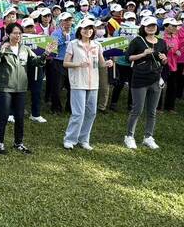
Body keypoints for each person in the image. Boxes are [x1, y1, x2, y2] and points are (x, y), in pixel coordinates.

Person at [0, 23, 43, 155]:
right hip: (5, 88)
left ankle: (18, 143)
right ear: (8, 34)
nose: (17, 36)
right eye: (15, 33)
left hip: (21, 88)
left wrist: (46, 54)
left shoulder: (24, 49)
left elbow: (36, 62)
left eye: (19, 33)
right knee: (4, 116)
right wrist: (0, 51)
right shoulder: (2, 48)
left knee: (19, 117)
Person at [62, 19, 113, 150]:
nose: (88, 31)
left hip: (93, 83)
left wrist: (107, 63)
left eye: (90, 29)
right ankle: (70, 139)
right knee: (78, 113)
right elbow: (66, 63)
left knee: (91, 113)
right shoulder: (73, 44)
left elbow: (101, 63)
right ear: (80, 30)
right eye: (85, 28)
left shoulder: (97, 45)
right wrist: (78, 64)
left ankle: (84, 139)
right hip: (78, 82)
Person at [124, 16, 168, 150]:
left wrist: (164, 59)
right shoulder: (138, 41)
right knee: (137, 109)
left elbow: (163, 62)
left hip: (155, 79)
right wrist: (143, 54)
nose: (151, 28)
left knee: (152, 111)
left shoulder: (161, 42)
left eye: (153, 25)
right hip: (140, 79)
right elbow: (128, 58)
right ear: (143, 27)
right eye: (148, 26)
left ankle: (148, 137)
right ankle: (129, 136)